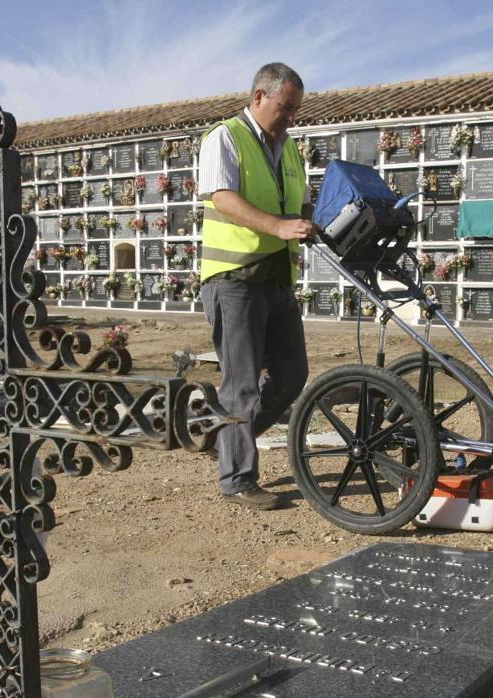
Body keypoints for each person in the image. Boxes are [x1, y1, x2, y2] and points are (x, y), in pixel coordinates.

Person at [197, 62, 315, 511]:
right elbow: (222, 197)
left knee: (291, 375)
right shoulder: (225, 137)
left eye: (296, 110)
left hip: (276, 278)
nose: (291, 117)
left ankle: (228, 440)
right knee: (241, 383)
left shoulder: (290, 150)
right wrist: (278, 227)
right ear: (259, 97)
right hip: (234, 279)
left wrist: (311, 224)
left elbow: (300, 200)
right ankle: (237, 479)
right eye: (286, 108)